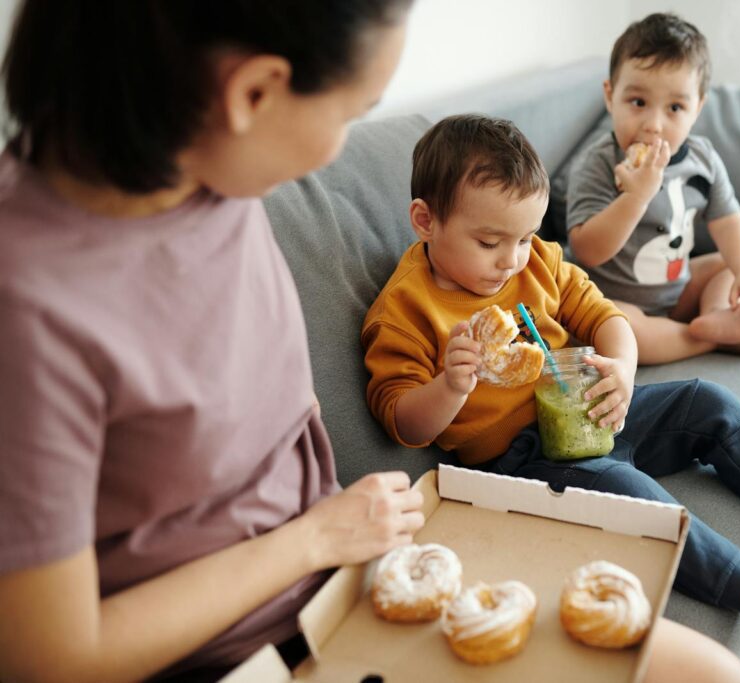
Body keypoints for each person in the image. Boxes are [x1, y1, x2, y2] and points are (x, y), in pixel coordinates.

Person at [362, 113, 740, 672]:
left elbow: (605, 316)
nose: (511, 260)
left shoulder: (538, 265)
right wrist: (451, 386)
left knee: (706, 400)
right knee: (631, 491)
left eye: (525, 238)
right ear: (426, 221)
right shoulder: (405, 311)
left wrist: (622, 371)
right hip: (522, 462)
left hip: (591, 409)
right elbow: (403, 423)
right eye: (489, 242)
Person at [0, 2, 424, 682]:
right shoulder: (26, 306)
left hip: (349, 583)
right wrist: (314, 539)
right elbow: (51, 659)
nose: (342, 143)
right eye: (352, 113)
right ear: (252, 92)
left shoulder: (210, 174)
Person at [566, 13, 740, 365]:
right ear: (610, 96)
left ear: (697, 108)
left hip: (677, 289)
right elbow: (587, 250)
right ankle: (704, 339)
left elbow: (730, 223)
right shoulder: (599, 163)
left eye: (676, 107)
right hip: (611, 299)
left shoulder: (703, 159)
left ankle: (718, 317)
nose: (654, 125)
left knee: (728, 266)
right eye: (638, 102)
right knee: (614, 329)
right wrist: (636, 197)